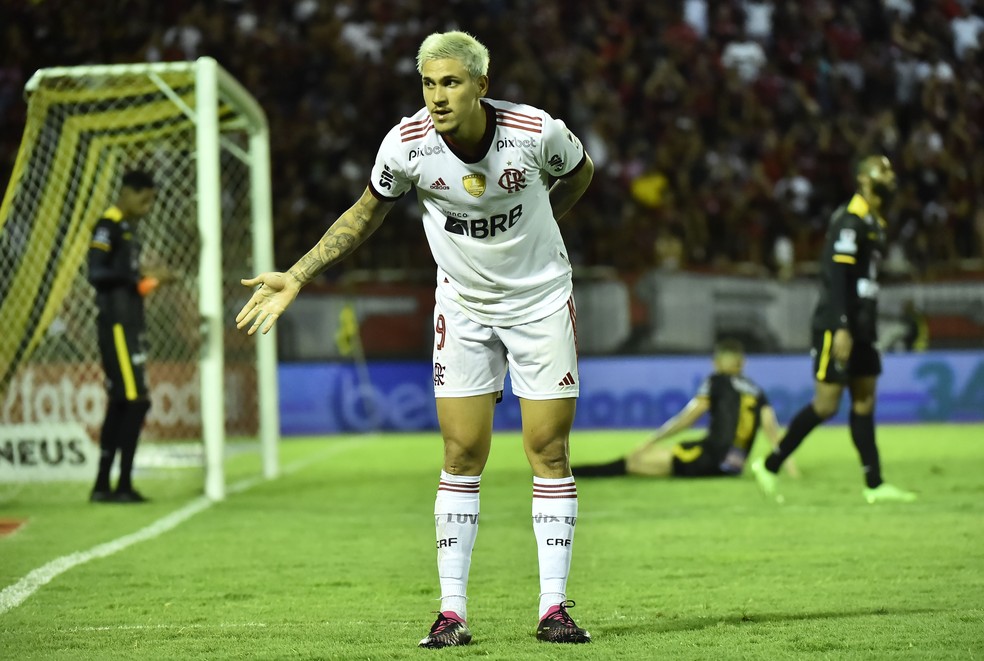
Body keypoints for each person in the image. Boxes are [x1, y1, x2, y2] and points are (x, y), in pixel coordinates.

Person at [236, 32, 595, 648]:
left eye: (451, 82)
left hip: (540, 301)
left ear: (482, 85)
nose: (437, 97)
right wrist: (296, 275)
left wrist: (545, 224)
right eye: (429, 84)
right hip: (462, 307)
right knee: (461, 453)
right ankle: (451, 613)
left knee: (548, 451)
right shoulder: (407, 146)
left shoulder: (535, 131)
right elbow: (364, 212)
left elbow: (581, 172)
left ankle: (553, 609)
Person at [750, 155, 917, 504]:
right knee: (826, 405)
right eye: (882, 172)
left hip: (863, 325)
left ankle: (874, 484)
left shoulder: (875, 221)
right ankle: (769, 464)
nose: (890, 177)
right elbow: (836, 277)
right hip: (838, 325)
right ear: (864, 180)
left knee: (865, 398)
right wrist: (841, 326)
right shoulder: (849, 221)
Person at [572, 339, 798, 482]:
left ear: (718, 362)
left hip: (709, 458)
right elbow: (772, 430)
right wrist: (789, 467)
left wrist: (651, 440)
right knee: (657, 459)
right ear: (742, 363)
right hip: (734, 466)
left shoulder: (716, 381)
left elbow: (687, 419)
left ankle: (574, 473)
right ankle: (576, 473)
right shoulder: (757, 391)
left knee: (634, 462)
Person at [87, 170, 160, 504]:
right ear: (127, 193)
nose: (147, 206)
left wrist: (145, 278)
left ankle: (103, 485)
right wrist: (135, 280)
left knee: (121, 401)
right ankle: (123, 485)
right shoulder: (109, 224)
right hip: (117, 325)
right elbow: (96, 271)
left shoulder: (129, 228)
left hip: (128, 323)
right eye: (144, 198)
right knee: (136, 401)